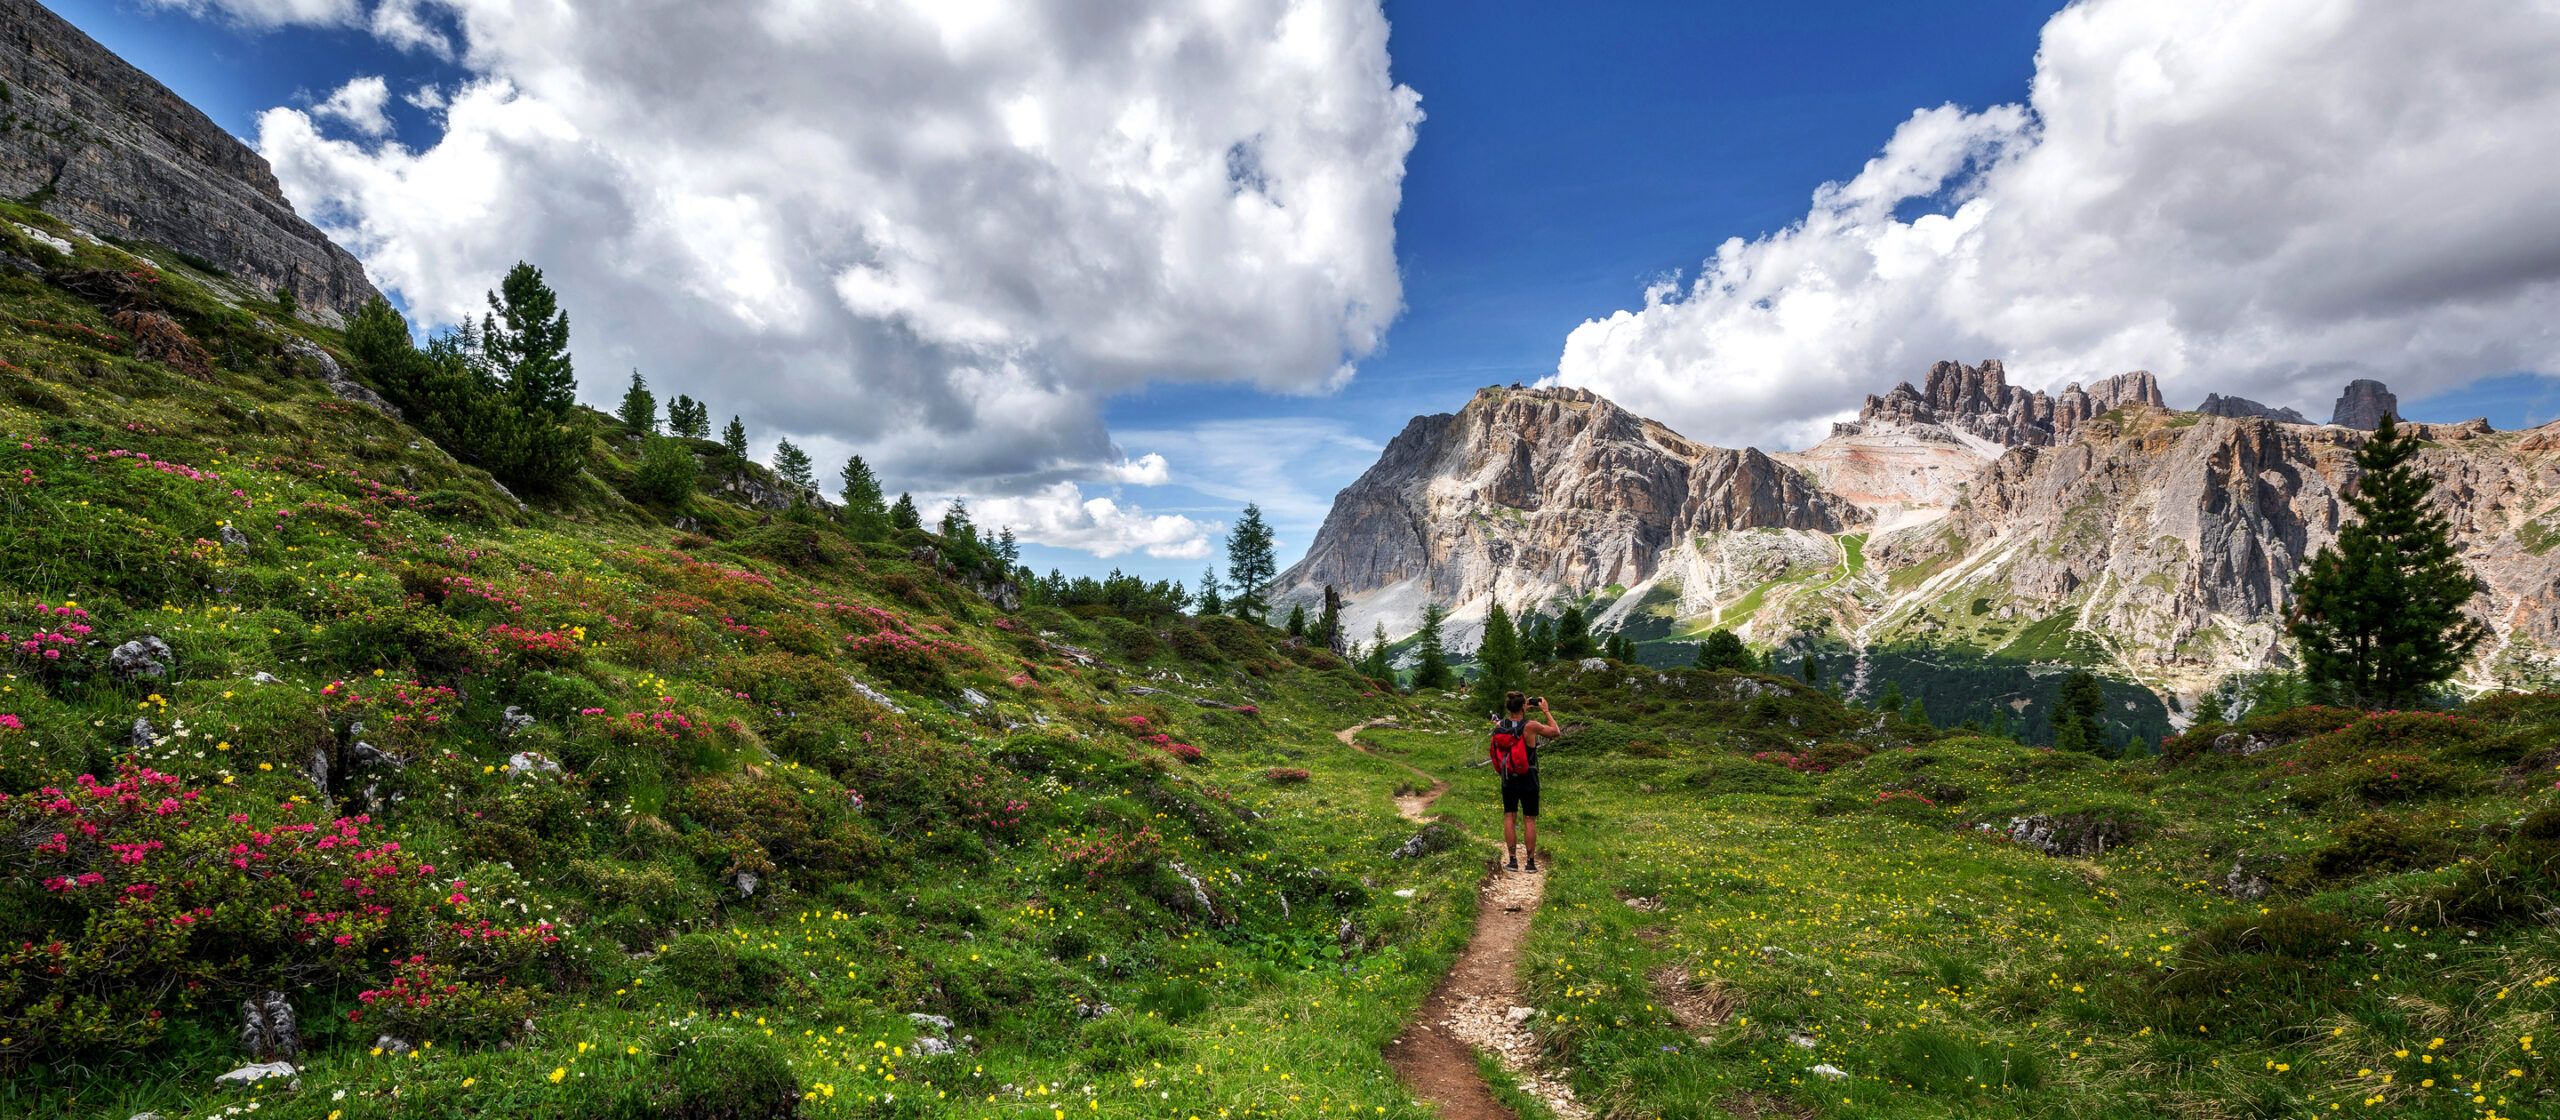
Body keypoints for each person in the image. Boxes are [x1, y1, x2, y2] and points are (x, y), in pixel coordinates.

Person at [1493, 691, 1559, 872]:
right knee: (1529, 819)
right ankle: (1530, 863)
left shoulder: (1500, 725)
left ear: (1508, 707)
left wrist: (1521, 708)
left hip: (1508, 777)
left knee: (1510, 816)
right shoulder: (1530, 726)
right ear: (1523, 706)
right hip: (1528, 776)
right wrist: (1546, 711)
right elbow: (1555, 732)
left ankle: (1512, 860)